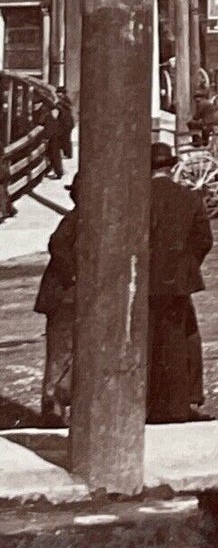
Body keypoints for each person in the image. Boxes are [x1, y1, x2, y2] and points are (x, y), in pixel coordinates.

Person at [147, 141, 213, 424]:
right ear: (172, 167)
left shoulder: (137, 196)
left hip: (144, 281)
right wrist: (186, 266)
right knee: (177, 342)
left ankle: (149, 403)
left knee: (147, 341)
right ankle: (178, 406)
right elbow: (204, 241)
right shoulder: (189, 198)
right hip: (177, 282)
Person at [33, 178, 77, 425]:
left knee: (64, 353)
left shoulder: (76, 218)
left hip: (65, 297)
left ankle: (58, 405)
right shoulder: (76, 219)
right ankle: (53, 408)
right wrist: (74, 275)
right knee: (61, 353)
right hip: (63, 298)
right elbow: (57, 246)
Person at [45, 89, 73, 179]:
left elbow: (54, 118)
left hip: (57, 131)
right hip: (62, 129)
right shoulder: (65, 103)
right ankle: (58, 170)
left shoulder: (57, 107)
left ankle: (58, 171)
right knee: (56, 150)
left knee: (54, 151)